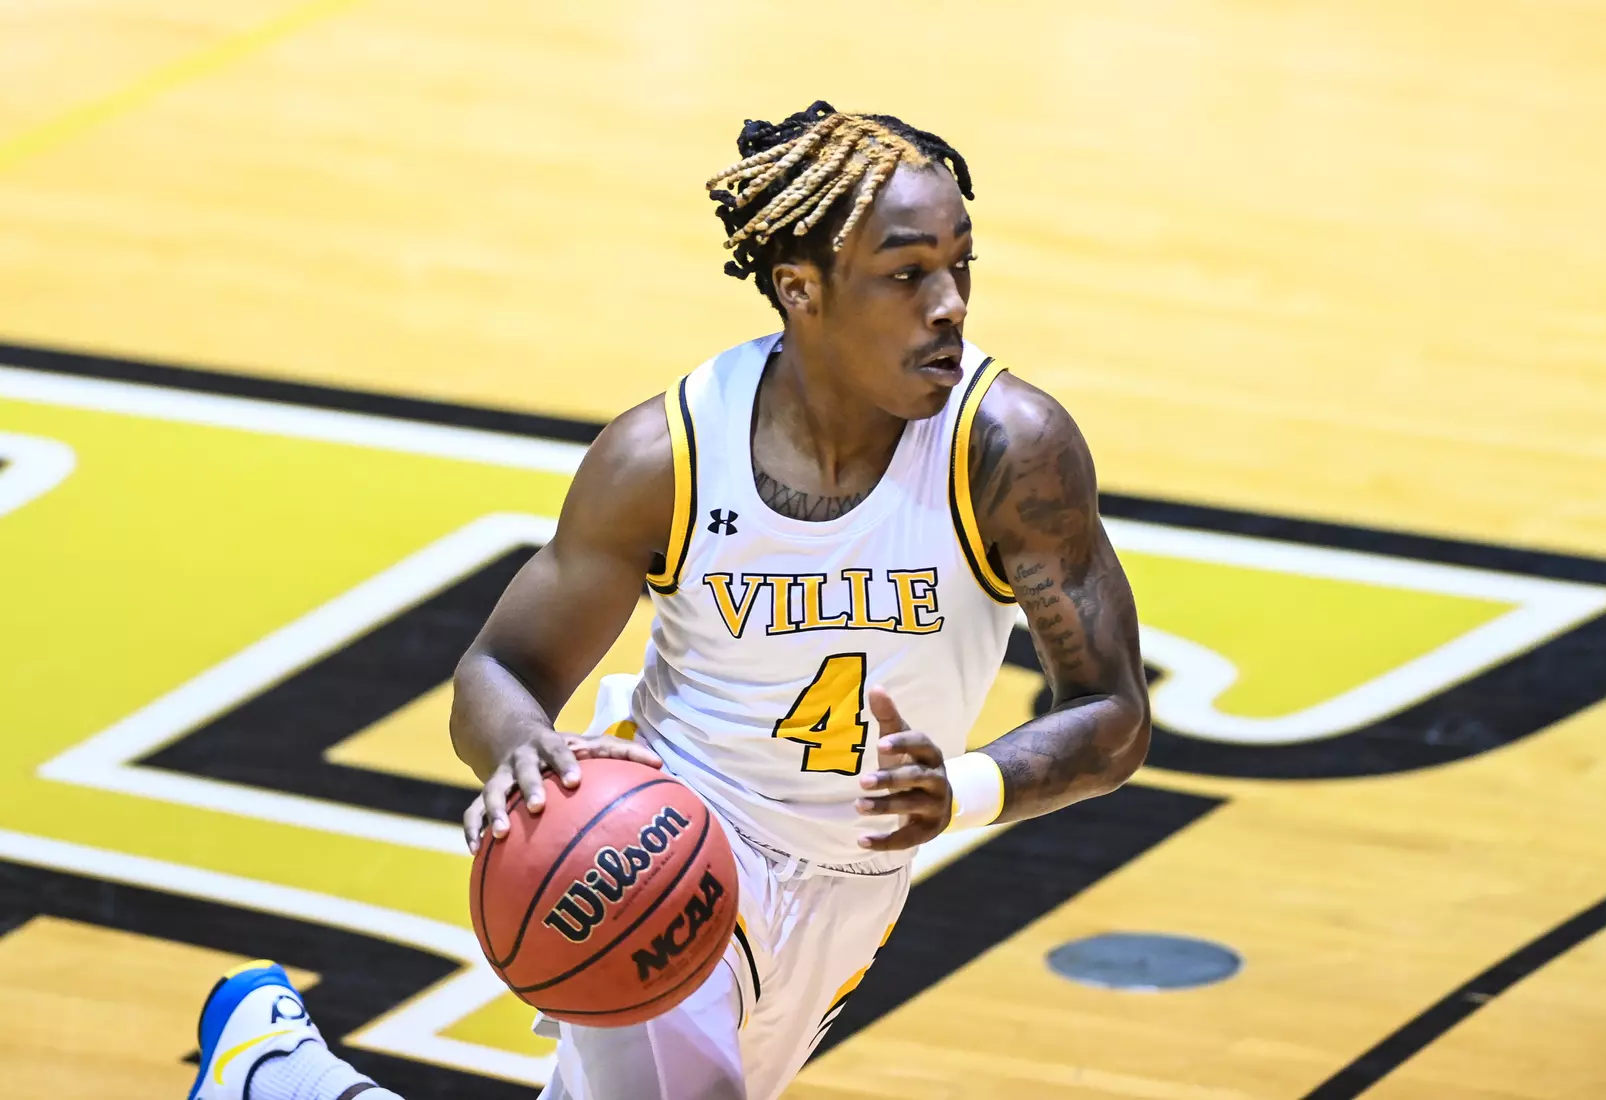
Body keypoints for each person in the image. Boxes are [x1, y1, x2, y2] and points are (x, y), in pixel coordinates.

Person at [190, 100, 1150, 1100]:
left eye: (960, 265)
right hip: (664, 839)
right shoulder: (667, 457)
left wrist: (967, 786)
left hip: (853, 882)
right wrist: (519, 745)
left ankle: (277, 1077)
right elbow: (501, 669)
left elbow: (1112, 712)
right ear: (800, 288)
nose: (948, 302)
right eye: (907, 274)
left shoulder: (1007, 451)